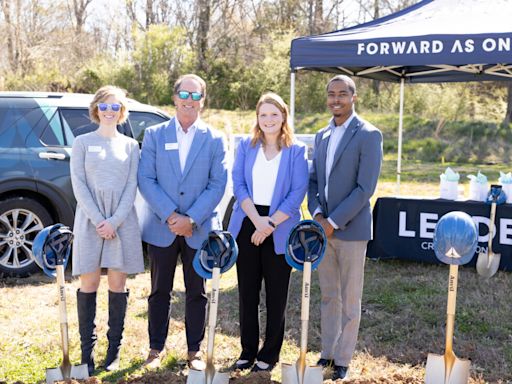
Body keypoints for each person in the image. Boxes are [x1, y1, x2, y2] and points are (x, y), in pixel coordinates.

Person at [137, 74, 227, 369]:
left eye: (195, 96)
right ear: (174, 98)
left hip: (198, 229)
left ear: (203, 101)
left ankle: (194, 351)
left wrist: (191, 218)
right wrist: (172, 215)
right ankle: (155, 349)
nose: (189, 101)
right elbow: (146, 179)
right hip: (162, 227)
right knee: (159, 291)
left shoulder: (214, 138)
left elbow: (217, 183)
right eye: (184, 95)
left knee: (196, 292)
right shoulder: (154, 134)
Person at [308, 75, 382, 380]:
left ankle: (342, 360)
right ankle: (327, 353)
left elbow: (365, 188)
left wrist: (333, 222)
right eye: (331, 94)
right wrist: (316, 215)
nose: (335, 99)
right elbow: (314, 180)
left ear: (354, 97)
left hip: (350, 230)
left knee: (351, 299)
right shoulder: (321, 135)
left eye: (342, 94)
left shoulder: (368, 134)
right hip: (322, 229)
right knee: (328, 296)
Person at [228, 92, 309, 372]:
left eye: (274, 114)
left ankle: (269, 355)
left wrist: (269, 224)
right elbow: (238, 184)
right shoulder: (245, 146)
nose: (269, 120)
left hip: (280, 227)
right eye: (263, 115)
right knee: (247, 293)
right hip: (248, 222)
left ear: (284, 116)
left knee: (276, 295)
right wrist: (257, 221)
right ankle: (248, 351)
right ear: (257, 118)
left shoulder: (296, 150)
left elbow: (297, 193)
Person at [71, 85, 144, 374]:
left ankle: (113, 352)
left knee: (117, 285)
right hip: (89, 221)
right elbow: (79, 184)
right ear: (96, 108)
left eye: (116, 107)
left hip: (122, 222)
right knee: (89, 285)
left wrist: (113, 221)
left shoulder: (130, 146)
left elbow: (131, 187)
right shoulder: (82, 143)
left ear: (122, 111)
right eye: (105, 106)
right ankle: (86, 354)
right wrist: (99, 219)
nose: (110, 111)